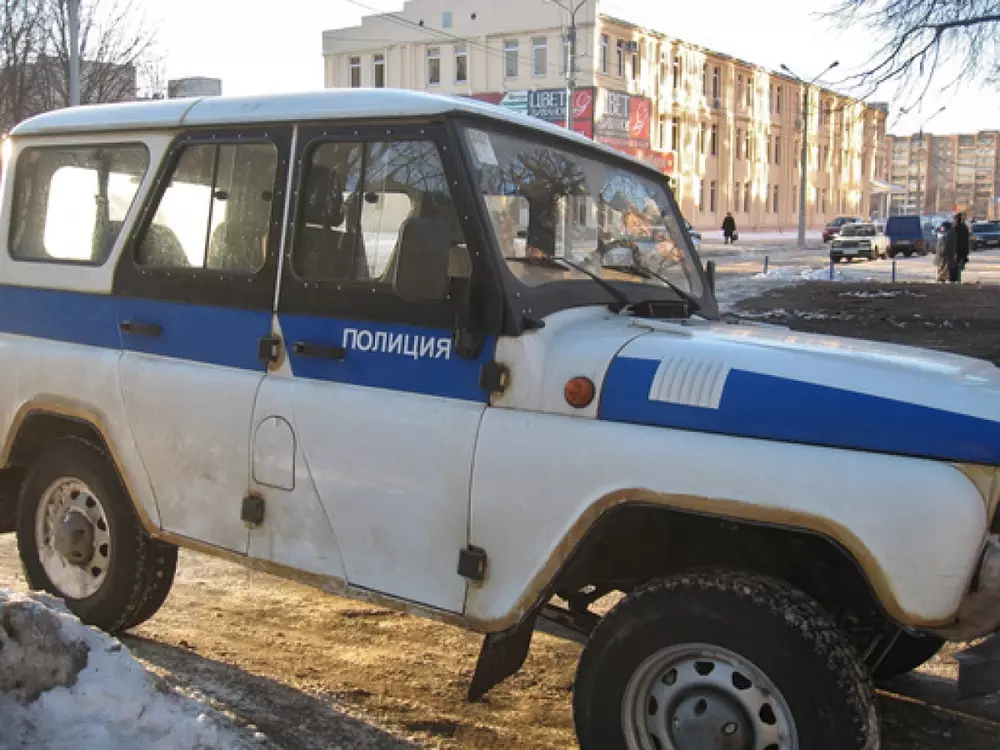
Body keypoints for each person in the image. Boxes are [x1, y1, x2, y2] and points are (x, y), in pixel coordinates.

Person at [954, 212, 970, 281]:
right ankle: (958, 279)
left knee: (957, 265)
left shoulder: (956, 228)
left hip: (958, 249)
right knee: (959, 265)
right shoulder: (964, 227)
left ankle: (957, 279)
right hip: (962, 249)